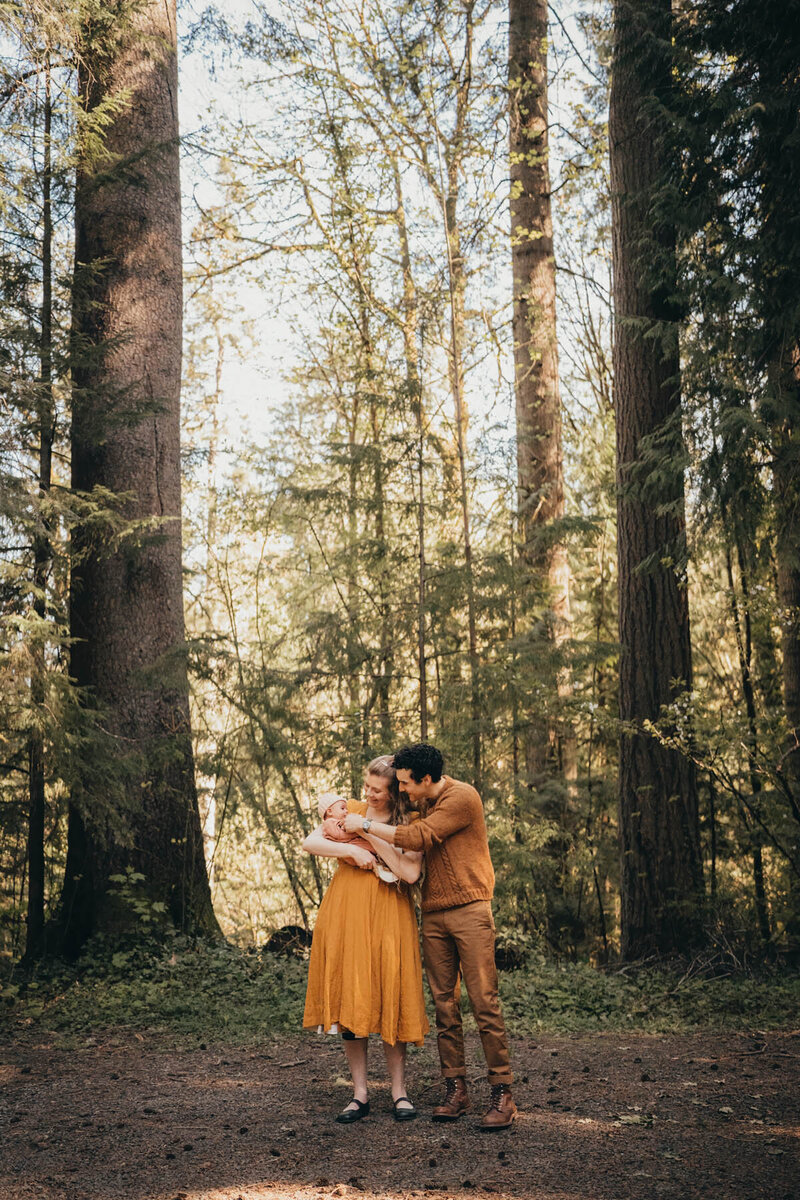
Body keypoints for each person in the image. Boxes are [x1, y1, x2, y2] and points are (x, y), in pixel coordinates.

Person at [343, 742, 516, 1130]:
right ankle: (456, 1089)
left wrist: (367, 827)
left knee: (484, 1002)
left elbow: (418, 837)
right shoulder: (418, 800)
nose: (401, 790)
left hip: (471, 909)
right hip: (434, 915)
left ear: (426, 779)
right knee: (445, 1006)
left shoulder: (462, 798)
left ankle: (502, 1093)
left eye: (406, 783)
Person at [302, 755, 429, 1123]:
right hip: (346, 911)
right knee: (352, 997)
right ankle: (359, 1093)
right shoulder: (351, 809)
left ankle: (398, 1091)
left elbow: (408, 873)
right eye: (367, 787)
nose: (369, 795)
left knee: (391, 992)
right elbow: (312, 841)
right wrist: (351, 848)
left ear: (395, 794)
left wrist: (370, 831)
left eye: (378, 790)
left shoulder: (410, 823)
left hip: (390, 914)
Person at [317, 792, 398, 884]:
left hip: (353, 843)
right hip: (351, 846)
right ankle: (382, 865)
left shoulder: (339, 821)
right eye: (342, 808)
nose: (346, 811)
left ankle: (385, 863)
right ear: (329, 811)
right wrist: (356, 830)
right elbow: (338, 835)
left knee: (373, 846)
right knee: (372, 847)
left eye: (346, 809)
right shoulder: (329, 823)